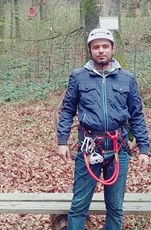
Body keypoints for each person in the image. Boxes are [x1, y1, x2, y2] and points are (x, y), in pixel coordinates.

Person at [57, 28, 149, 230]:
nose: (101, 50)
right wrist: (63, 141)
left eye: (105, 46)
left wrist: (143, 148)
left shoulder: (127, 79)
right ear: (90, 50)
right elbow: (67, 111)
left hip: (118, 151)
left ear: (112, 49)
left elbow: (136, 116)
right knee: (79, 206)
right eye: (96, 47)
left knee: (115, 208)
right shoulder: (78, 77)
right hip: (89, 150)